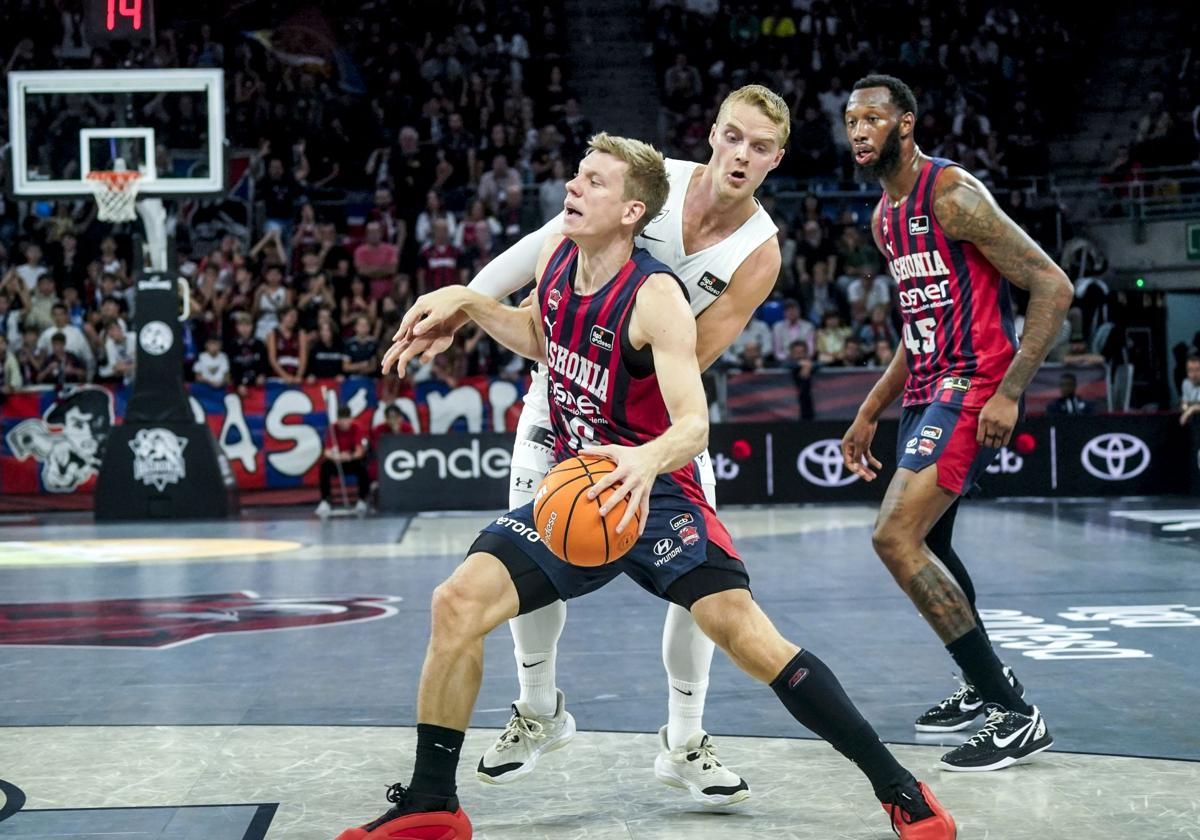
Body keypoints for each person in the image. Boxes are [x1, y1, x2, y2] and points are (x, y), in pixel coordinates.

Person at [355, 132, 954, 840]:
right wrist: (470, 302)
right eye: (577, 177)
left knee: (744, 633)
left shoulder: (655, 297)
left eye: (594, 182)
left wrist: (643, 462)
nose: (574, 189)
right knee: (455, 603)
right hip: (582, 488)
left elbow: (694, 426)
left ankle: (900, 790)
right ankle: (433, 803)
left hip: (656, 489)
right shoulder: (555, 260)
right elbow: (542, 337)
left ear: (633, 210)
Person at [381, 86, 793, 803]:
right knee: (528, 546)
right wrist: (464, 303)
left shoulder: (758, 253)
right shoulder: (646, 180)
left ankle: (684, 741)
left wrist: (634, 411)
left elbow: (693, 356)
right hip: (562, 388)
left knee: (704, 583)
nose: (740, 155)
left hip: (653, 413)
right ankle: (539, 711)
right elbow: (543, 244)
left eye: (759, 147)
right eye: (732, 136)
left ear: (775, 160)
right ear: (713, 134)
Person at [841, 74, 1073, 771]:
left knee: (895, 536)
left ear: (905, 125)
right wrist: (868, 409)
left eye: (872, 119)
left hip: (972, 387)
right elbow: (919, 328)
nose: (858, 131)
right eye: (851, 119)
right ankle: (980, 688)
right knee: (931, 542)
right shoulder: (886, 217)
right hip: (925, 387)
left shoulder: (952, 194)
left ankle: (1012, 710)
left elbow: (1052, 286)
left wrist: (1009, 392)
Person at [316, 405, 369, 517]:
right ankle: (325, 500)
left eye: (346, 419)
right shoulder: (332, 429)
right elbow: (327, 452)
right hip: (337, 461)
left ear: (350, 419)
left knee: (363, 467)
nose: (343, 422)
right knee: (325, 466)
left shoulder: (356, 428)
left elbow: (359, 452)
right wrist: (338, 456)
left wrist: (349, 456)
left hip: (351, 460)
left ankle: (362, 500)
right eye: (341, 419)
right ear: (337, 419)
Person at [1180, 354, 1200, 426]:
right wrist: (1185, 408)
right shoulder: (1186, 383)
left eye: (1197, 370)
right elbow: (1185, 402)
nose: (1194, 374)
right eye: (1190, 370)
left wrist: (1190, 410)